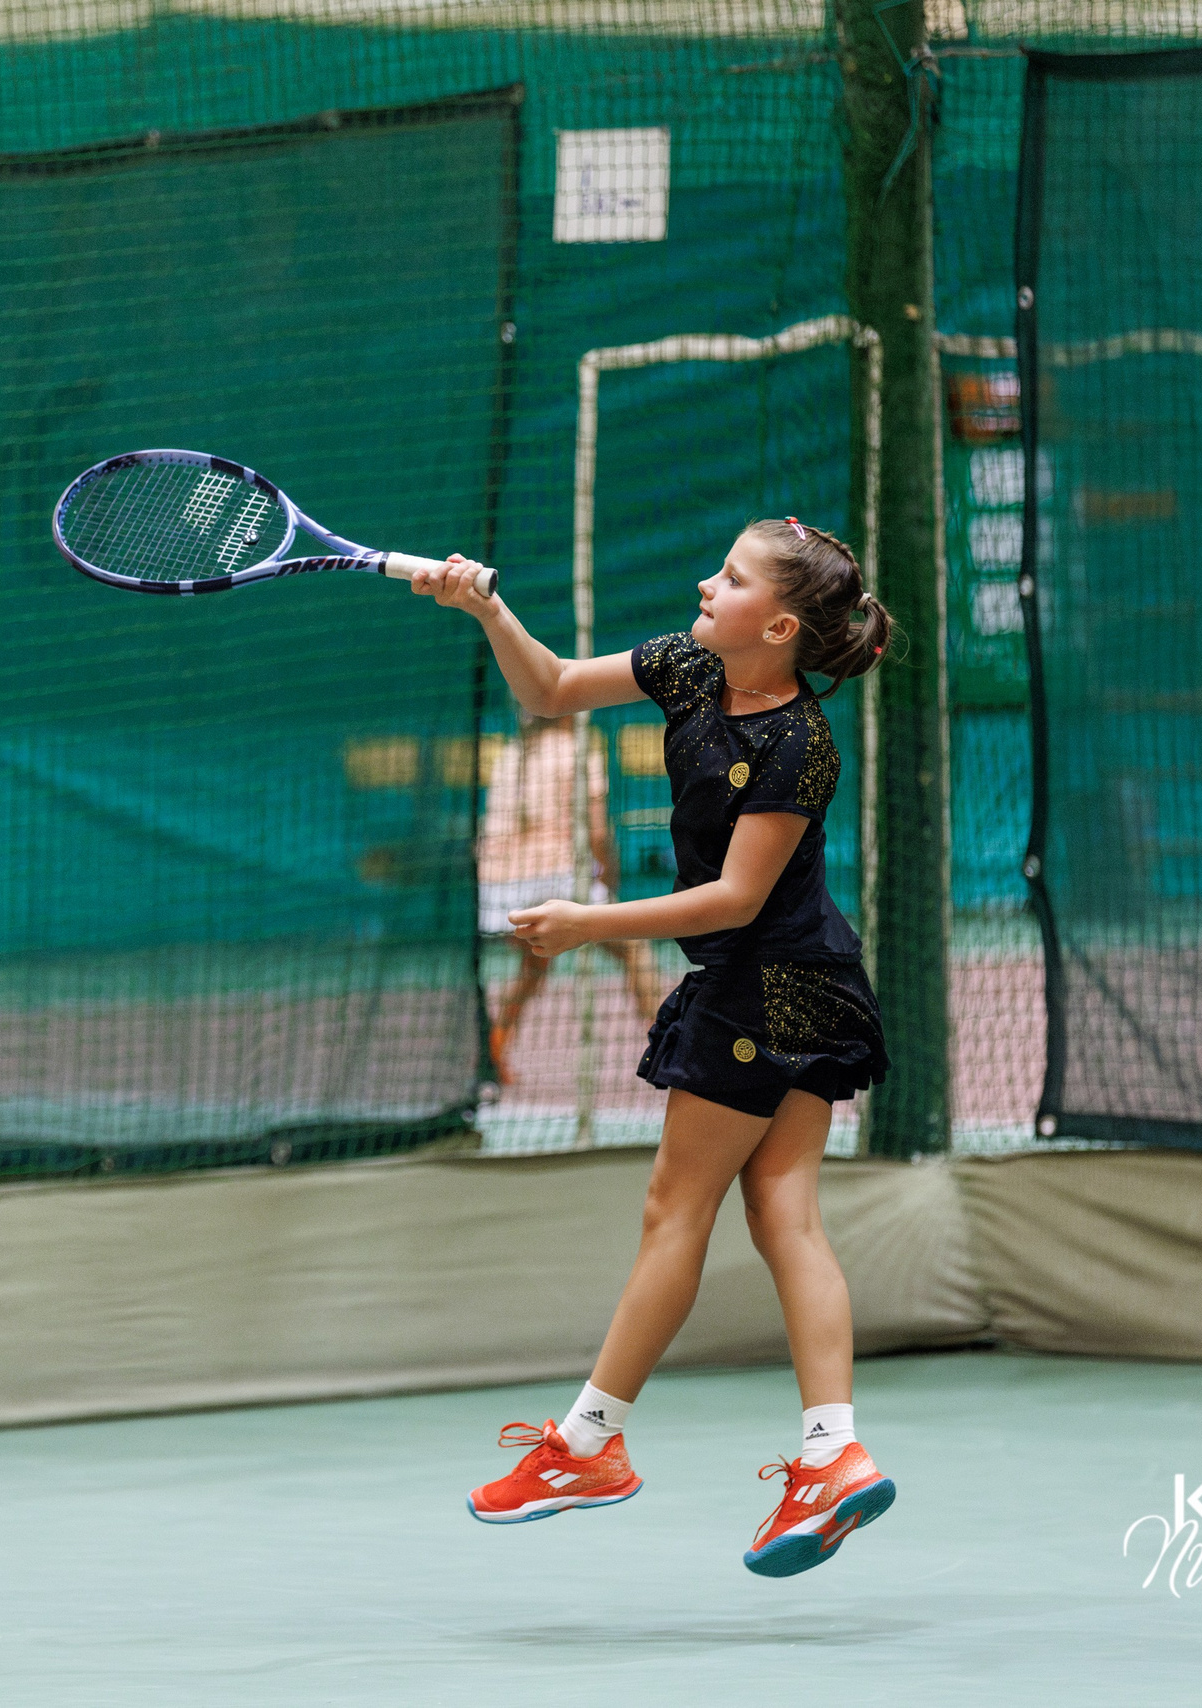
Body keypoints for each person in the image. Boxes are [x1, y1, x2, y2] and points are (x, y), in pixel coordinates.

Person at [411, 516, 898, 1578]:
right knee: (783, 1215)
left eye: (726, 577)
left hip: (763, 990)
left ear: (775, 624)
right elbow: (546, 690)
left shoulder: (796, 745)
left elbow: (733, 897)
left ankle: (584, 1444)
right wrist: (487, 608)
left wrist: (588, 920)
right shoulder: (685, 668)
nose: (701, 580)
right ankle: (834, 1454)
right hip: (812, 982)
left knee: (675, 1209)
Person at [476, 711, 667, 1085]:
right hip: (558, 880)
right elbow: (597, 831)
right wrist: (607, 873)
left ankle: (494, 1046)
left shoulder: (511, 753)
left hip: (500, 892)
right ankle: (667, 1047)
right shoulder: (578, 750)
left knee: (533, 967)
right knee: (635, 947)